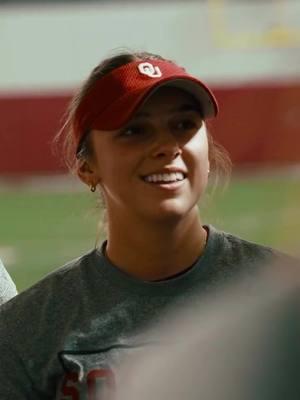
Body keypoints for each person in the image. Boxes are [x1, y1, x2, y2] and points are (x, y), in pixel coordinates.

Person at [0, 50, 297, 399]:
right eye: (135, 130)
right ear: (87, 166)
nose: (166, 146)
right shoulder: (28, 329)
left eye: (184, 125)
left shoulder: (284, 305)